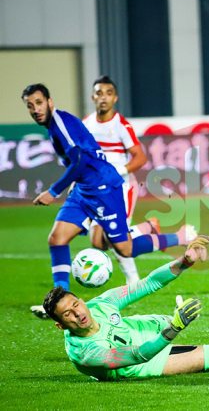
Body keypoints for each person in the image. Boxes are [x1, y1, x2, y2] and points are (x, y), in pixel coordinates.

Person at [21, 83, 196, 318]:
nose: (35, 109)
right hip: (84, 189)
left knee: (124, 248)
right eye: (30, 106)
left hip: (104, 188)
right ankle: (58, 300)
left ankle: (181, 236)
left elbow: (81, 159)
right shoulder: (60, 125)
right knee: (57, 239)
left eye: (39, 103)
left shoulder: (61, 122)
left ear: (50, 102)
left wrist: (54, 190)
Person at [42, 235, 209, 381]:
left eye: (76, 304)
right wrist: (174, 330)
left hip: (141, 332)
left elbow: (149, 283)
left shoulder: (102, 303)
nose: (78, 313)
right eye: (68, 314)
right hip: (139, 366)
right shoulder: (85, 352)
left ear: (82, 300)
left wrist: (185, 261)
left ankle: (169, 327)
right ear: (60, 324)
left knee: (162, 321)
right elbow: (137, 356)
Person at [83, 75, 187, 284]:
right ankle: (148, 228)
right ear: (93, 97)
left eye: (108, 93)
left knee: (117, 239)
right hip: (97, 189)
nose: (103, 98)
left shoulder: (121, 125)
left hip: (121, 188)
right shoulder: (86, 124)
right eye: (99, 93)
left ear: (116, 98)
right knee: (97, 241)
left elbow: (140, 157)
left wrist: (118, 171)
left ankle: (134, 282)